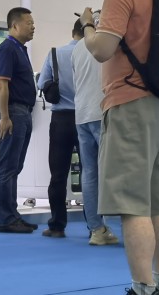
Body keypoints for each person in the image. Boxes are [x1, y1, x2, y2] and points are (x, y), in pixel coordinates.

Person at [80, 0, 159, 295]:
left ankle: (142, 288)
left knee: (133, 205)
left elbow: (102, 49)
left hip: (130, 103)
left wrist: (88, 27)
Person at [71, 34, 119, 246]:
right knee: (118, 171)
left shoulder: (78, 47)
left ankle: (96, 229)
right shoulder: (109, 41)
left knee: (89, 172)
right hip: (103, 112)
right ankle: (132, 225)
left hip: (82, 113)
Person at [0, 7, 38, 234]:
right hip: (14, 112)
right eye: (29, 23)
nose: (33, 27)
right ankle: (6, 218)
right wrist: (5, 116)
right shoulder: (8, 48)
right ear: (14, 26)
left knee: (15, 167)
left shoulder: (20, 49)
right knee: (8, 167)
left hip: (23, 112)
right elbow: (2, 84)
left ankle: (13, 215)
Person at [36, 18, 82, 238]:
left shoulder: (55, 53)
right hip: (86, 118)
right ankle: (95, 226)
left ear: (73, 32)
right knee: (90, 173)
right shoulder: (93, 56)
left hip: (60, 119)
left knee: (58, 174)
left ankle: (57, 225)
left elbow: (41, 83)